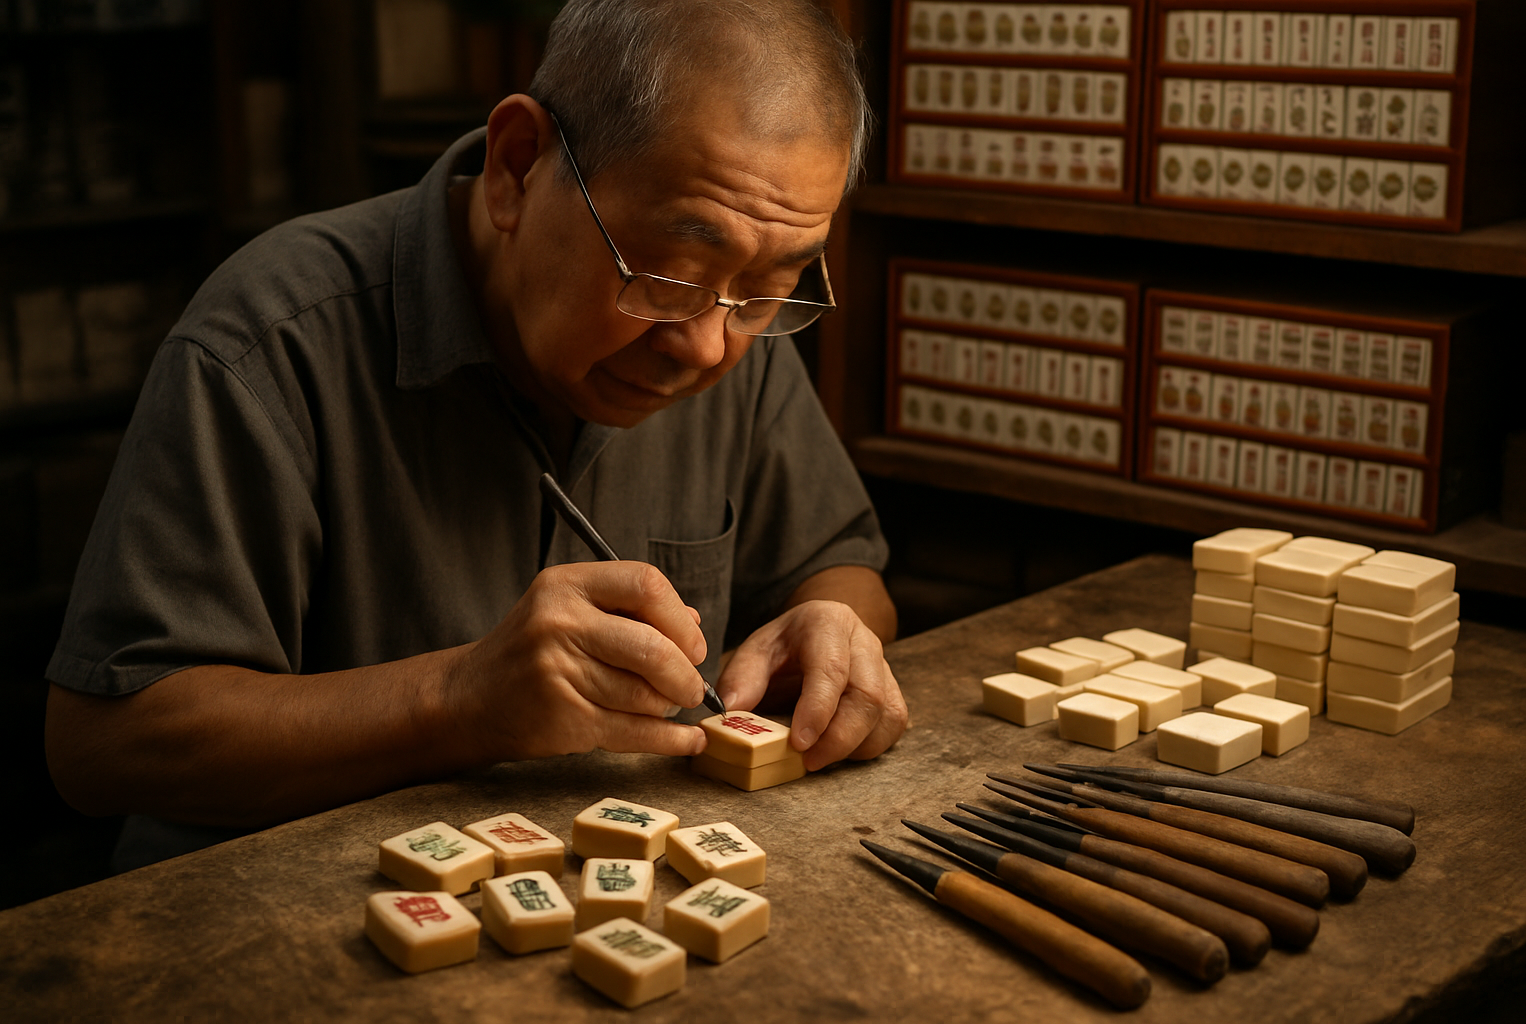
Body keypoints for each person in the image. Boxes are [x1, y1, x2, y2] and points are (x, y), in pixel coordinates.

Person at [44, 0, 907, 869]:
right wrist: (458, 699)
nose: (708, 347)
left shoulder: (725, 320)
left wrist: (833, 627)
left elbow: (839, 568)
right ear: (517, 167)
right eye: (668, 277)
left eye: (769, 288)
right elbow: (102, 744)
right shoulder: (272, 339)